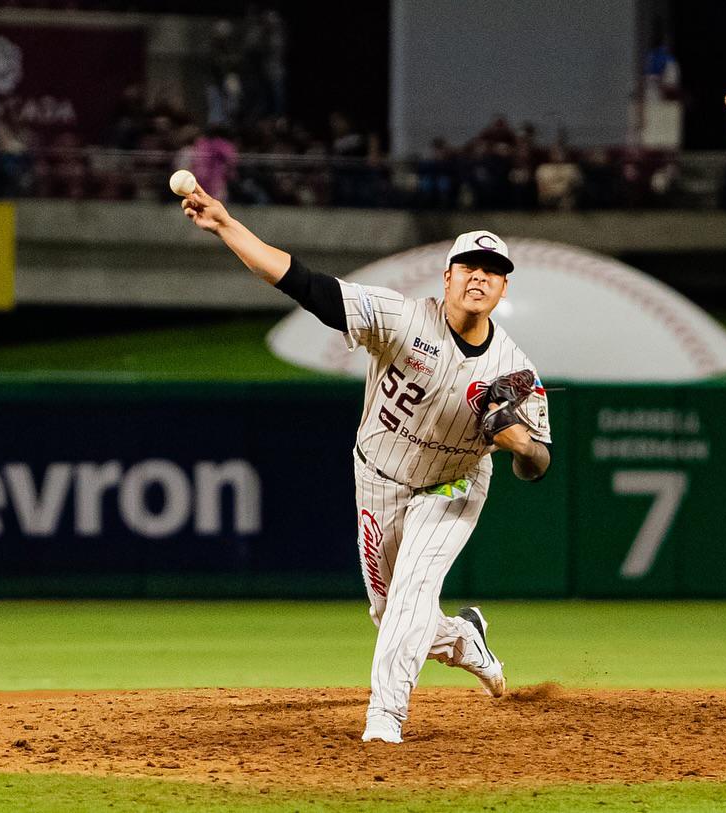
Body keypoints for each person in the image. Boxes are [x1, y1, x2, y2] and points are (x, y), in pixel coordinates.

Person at [180, 187, 552, 744]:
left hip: (453, 486)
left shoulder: (516, 370)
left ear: (503, 287)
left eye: (492, 271)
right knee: (390, 614)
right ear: (446, 278)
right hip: (377, 478)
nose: (479, 277)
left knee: (411, 595)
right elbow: (302, 283)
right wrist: (227, 225)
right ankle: (463, 640)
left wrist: (521, 445)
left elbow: (540, 462)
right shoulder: (402, 319)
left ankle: (385, 720)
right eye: (468, 266)